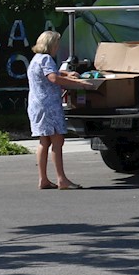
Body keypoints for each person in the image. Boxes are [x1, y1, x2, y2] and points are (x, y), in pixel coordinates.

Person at [28, 30, 96, 190]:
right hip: (49, 106)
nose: (57, 47)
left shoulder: (36, 59)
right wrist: (79, 84)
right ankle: (61, 179)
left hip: (37, 105)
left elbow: (51, 73)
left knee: (44, 141)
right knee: (57, 141)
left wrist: (66, 73)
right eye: (56, 44)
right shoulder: (46, 59)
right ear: (51, 44)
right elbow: (53, 78)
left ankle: (43, 179)